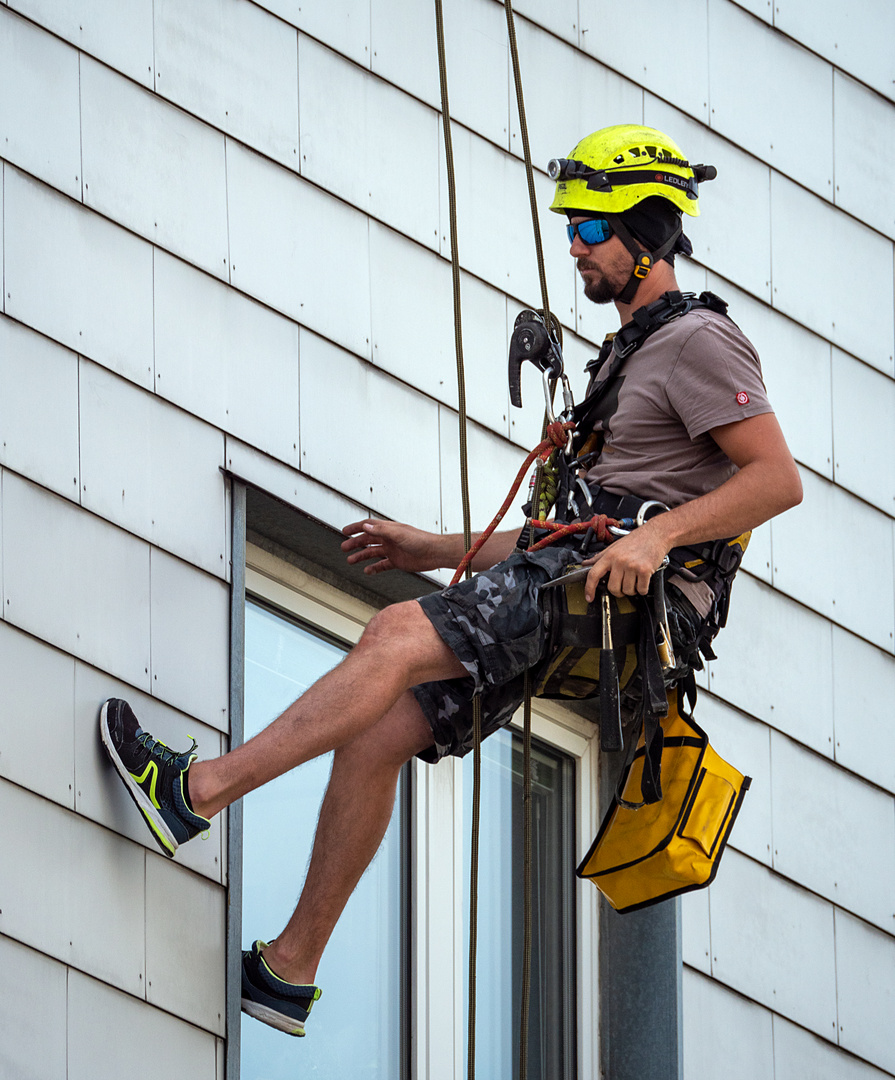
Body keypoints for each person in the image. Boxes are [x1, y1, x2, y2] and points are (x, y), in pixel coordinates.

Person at [99, 124, 802, 1037]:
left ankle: (192, 796)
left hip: (612, 596)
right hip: (583, 581)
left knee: (391, 639)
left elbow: (773, 479)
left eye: (590, 229)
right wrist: (434, 547)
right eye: (572, 230)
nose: (574, 249)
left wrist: (659, 537)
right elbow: (577, 527)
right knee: (379, 729)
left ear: (646, 233)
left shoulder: (700, 341)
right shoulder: (630, 354)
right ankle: (288, 970)